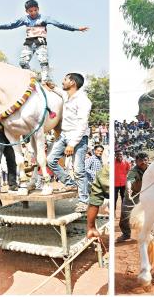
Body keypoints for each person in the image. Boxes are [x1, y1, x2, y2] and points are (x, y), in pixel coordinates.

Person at [0, 0, 89, 81]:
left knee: (43, 61)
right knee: (22, 62)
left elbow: (60, 24)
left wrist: (76, 29)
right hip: (29, 42)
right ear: (26, 11)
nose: (33, 13)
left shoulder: (44, 18)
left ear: (38, 9)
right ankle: (31, 77)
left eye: (35, 10)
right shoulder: (24, 19)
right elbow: (11, 25)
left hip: (40, 42)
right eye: (30, 11)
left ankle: (45, 79)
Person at [47, 73, 92, 212]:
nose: (63, 81)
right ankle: (69, 183)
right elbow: (60, 91)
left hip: (78, 138)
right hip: (64, 134)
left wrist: (72, 144)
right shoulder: (67, 96)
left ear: (72, 82)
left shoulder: (83, 101)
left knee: (78, 170)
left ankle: (84, 201)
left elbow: (82, 124)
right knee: (50, 160)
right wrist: (52, 87)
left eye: (65, 79)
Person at [116, 152, 149, 242]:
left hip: (145, 194)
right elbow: (129, 181)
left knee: (149, 215)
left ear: (148, 160)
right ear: (136, 161)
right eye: (140, 160)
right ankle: (126, 234)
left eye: (145, 160)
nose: (143, 162)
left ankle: (149, 234)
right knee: (125, 215)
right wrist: (129, 189)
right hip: (132, 195)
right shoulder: (133, 171)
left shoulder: (151, 169)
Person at [86, 165, 109, 239]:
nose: (100, 152)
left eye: (101, 151)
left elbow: (95, 199)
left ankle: (91, 229)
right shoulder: (91, 160)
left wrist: (91, 227)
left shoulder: (104, 170)